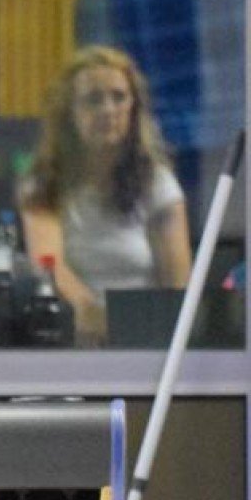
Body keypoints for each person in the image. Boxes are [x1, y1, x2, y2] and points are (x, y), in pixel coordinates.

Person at [19, 46, 192, 345]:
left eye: (119, 97)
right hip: (69, 337)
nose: (109, 110)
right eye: (93, 100)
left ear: (134, 108)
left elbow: (178, 292)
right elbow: (49, 267)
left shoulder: (158, 184)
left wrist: (135, 331)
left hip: (148, 341)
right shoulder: (42, 186)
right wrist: (92, 314)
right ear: (69, 113)